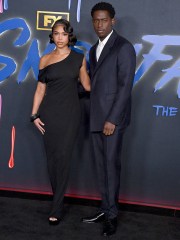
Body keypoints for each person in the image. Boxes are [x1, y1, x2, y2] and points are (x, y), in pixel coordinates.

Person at [82, 2, 136, 236]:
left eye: (104, 20)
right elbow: (94, 85)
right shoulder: (94, 48)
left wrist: (112, 119)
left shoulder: (123, 47)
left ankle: (112, 216)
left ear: (113, 21)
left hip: (111, 121)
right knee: (100, 168)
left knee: (111, 168)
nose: (99, 24)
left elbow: (125, 87)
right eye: (96, 20)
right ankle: (105, 208)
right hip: (95, 118)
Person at [31, 19, 90, 225]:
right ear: (52, 36)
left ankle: (56, 207)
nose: (60, 38)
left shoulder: (79, 58)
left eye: (64, 34)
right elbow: (40, 90)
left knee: (63, 159)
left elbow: (88, 86)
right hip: (49, 115)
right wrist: (34, 115)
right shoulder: (44, 60)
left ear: (69, 36)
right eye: (56, 33)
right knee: (52, 161)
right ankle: (58, 199)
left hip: (70, 115)